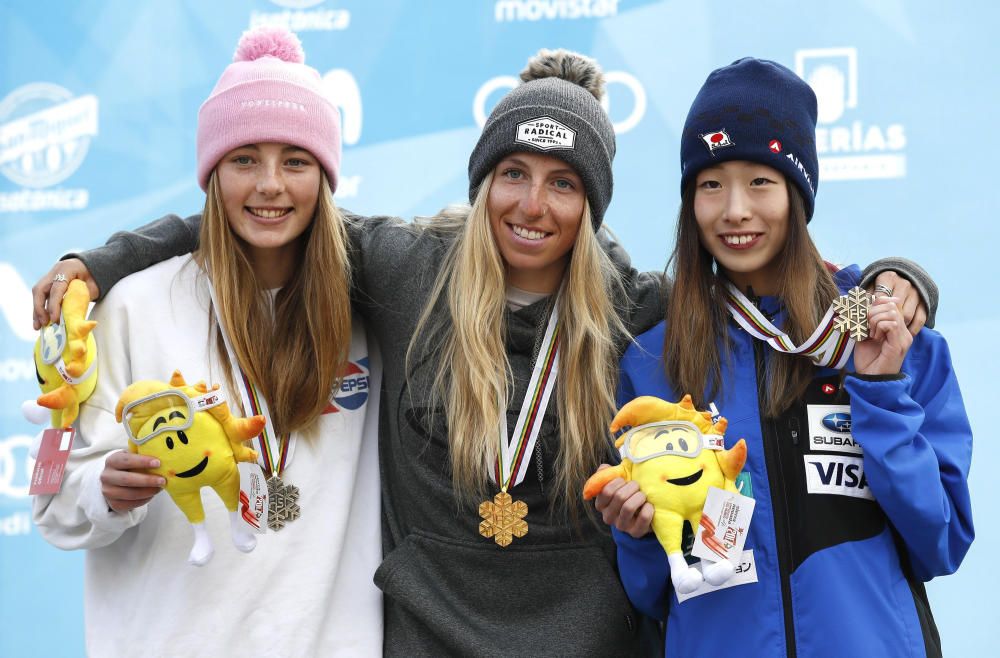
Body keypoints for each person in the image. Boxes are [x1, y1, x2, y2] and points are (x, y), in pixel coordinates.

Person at [31, 51, 936, 656]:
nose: (532, 205)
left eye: (563, 184)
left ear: (592, 205)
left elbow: (770, 292)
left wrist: (901, 280)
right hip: (430, 635)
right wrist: (100, 261)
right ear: (482, 180)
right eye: (512, 174)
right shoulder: (404, 268)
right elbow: (269, 204)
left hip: (596, 641)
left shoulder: (637, 308)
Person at [601, 57, 973, 658]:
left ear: (798, 195)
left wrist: (880, 397)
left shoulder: (884, 334)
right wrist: (640, 535)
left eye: (761, 181)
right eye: (711, 183)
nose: (735, 210)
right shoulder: (654, 362)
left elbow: (941, 541)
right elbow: (650, 594)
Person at [31, 27, 383, 656]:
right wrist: (102, 492)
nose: (270, 184)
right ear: (212, 174)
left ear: (326, 178)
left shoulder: (372, 307)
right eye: (244, 159)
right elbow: (50, 503)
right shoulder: (130, 306)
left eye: (296, 161)